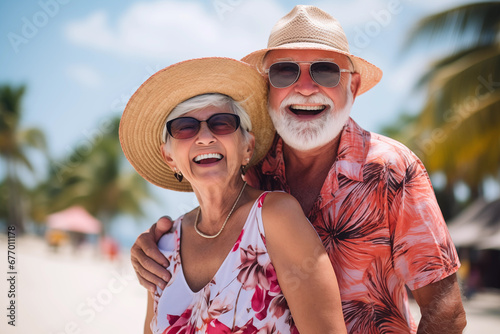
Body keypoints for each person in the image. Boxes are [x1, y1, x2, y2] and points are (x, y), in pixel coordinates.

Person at [130, 6, 467, 333]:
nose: (305, 87)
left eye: (324, 71)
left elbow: (446, 310)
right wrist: (152, 246)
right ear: (269, 88)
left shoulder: (393, 169)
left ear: (352, 86)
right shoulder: (249, 165)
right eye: (285, 72)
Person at [120, 57, 346, 333]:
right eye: (185, 127)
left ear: (247, 147)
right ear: (169, 157)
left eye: (222, 123)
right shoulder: (164, 245)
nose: (204, 137)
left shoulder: (275, 216)